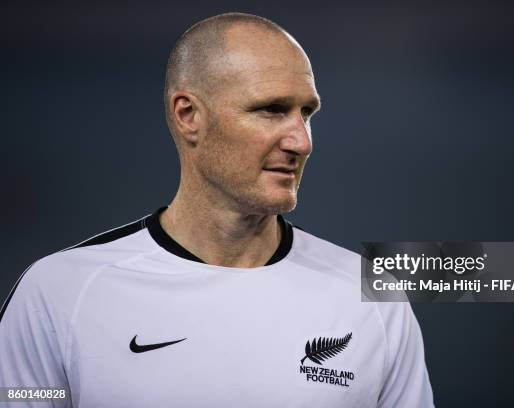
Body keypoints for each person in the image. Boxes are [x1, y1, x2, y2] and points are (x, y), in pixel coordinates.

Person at [0, 13, 434, 407]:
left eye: (307, 114)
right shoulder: (59, 293)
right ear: (189, 115)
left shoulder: (374, 298)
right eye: (271, 110)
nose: (301, 142)